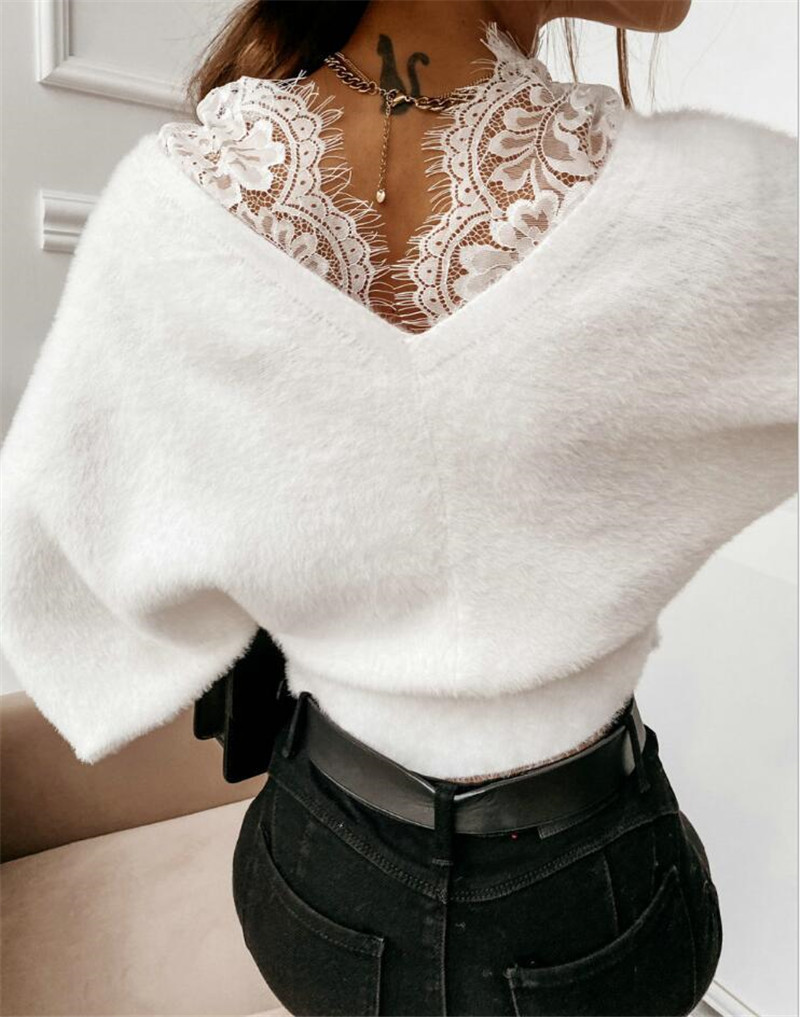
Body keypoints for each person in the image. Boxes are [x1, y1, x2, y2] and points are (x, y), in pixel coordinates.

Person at [0, 1, 795, 1014]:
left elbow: (59, 572)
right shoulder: (720, 204)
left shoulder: (172, 208)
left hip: (317, 868)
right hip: (590, 896)